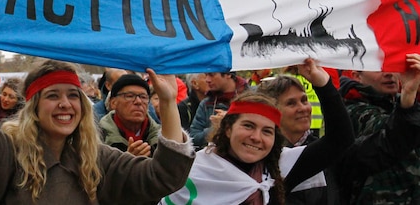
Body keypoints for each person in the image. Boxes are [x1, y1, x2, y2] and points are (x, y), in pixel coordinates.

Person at [0, 0, 194, 204]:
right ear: (34, 107)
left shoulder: (97, 160)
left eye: (73, 95)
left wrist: (168, 101)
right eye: (53, 96)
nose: (65, 104)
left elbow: (163, 176)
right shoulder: (8, 154)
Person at [163, 59, 353, 205]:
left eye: (267, 131)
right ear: (228, 128)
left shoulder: (280, 167)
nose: (256, 137)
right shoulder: (197, 170)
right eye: (248, 126)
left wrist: (323, 84)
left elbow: (340, 139)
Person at [338, 56, 420, 203]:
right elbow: (393, 134)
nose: (388, 73)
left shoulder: (404, 105)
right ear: (357, 77)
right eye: (378, 68)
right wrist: (408, 100)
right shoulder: (351, 111)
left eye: (392, 65)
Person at [100, 73, 160, 157]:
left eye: (143, 97)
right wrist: (127, 162)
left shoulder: (162, 136)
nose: (138, 101)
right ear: (113, 103)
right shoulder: (98, 136)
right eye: (130, 96)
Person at [189, 71, 249, 149]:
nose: (207, 79)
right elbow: (193, 139)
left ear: (228, 74)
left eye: (211, 75)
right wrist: (216, 128)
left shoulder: (253, 98)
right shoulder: (206, 103)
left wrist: (229, 120)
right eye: (206, 75)